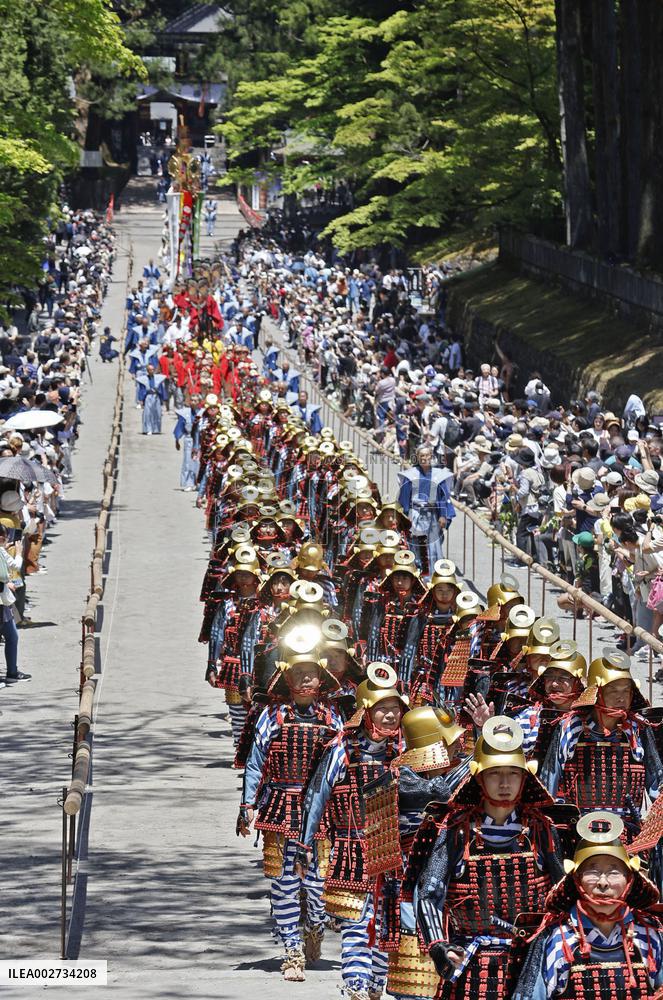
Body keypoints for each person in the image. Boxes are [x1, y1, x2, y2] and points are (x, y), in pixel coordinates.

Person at [415, 716, 567, 999]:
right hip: (473, 962)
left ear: (525, 777)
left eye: (514, 773)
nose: (505, 783)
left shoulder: (541, 828)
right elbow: (429, 893)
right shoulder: (456, 830)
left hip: (533, 962)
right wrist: (439, 946)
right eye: (495, 773)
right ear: (479, 776)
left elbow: (564, 894)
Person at [514, 811, 663, 998]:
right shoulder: (558, 939)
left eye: (614, 872)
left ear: (629, 879)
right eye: (592, 871)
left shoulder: (649, 937)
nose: (603, 882)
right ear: (577, 879)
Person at [397, 445, 455, 573]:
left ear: (431, 456)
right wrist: (404, 517)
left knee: (433, 545)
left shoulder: (439, 476)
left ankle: (433, 572)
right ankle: (415, 570)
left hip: (432, 514)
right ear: (417, 457)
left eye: (427, 455)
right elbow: (404, 498)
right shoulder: (410, 475)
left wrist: (443, 515)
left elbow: (443, 496)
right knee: (414, 543)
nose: (424, 458)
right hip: (414, 514)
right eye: (421, 456)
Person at [0, 524, 29, 685]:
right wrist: (18, 552)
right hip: (1, 601)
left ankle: (12, 671)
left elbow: (11, 567)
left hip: (3, 602)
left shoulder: (1, 551)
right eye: (5, 538)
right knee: (11, 636)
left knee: (12, 636)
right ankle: (11, 671)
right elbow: (11, 569)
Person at [136, 364, 168, 435]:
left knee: (157, 412)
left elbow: (161, 389)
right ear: (147, 371)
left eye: (153, 369)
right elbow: (142, 390)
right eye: (150, 370)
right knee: (148, 413)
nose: (152, 371)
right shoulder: (144, 379)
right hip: (148, 396)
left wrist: (164, 399)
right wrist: (141, 399)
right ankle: (148, 429)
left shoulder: (158, 379)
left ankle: (156, 429)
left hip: (156, 397)